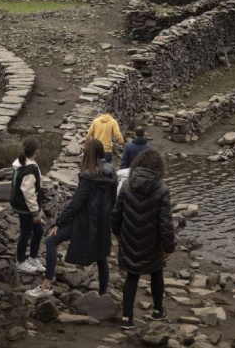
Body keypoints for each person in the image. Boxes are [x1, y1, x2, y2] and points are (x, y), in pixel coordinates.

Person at [26, 139, 117, 298]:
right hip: (102, 222)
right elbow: (113, 200)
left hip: (84, 222)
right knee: (102, 256)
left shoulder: (88, 177)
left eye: (84, 149)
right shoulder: (111, 173)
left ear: (89, 153)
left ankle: (46, 285)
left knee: (51, 241)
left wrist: (58, 223)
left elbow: (75, 204)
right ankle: (103, 295)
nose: (82, 150)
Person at [111, 149, 175, 330]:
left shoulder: (126, 185)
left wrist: (117, 233)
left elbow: (116, 214)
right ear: (158, 167)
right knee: (156, 273)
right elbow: (166, 222)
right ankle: (157, 311)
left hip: (130, 238)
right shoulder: (162, 189)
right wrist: (169, 247)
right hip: (153, 242)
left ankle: (127, 318)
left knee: (132, 276)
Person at [10, 137, 45, 274]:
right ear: (36, 151)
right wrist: (35, 213)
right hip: (26, 207)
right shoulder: (29, 169)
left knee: (38, 231)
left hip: (24, 205)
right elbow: (28, 192)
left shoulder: (22, 163)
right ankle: (20, 261)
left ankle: (32, 257)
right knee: (26, 233)